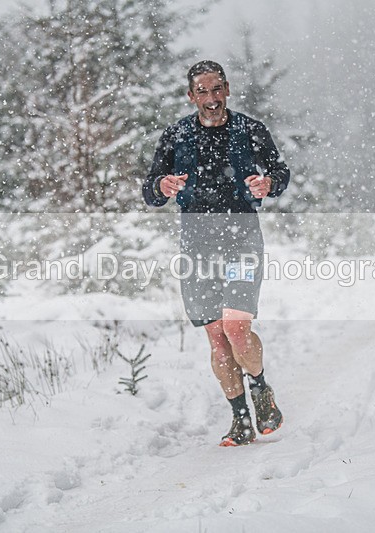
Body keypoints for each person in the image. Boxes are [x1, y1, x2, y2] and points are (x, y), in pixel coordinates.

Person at [142, 60, 290, 447]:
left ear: (227, 89)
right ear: (191, 96)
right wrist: (163, 184)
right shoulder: (176, 136)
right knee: (216, 337)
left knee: (236, 328)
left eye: (216, 89)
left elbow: (280, 174)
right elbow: (150, 191)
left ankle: (260, 388)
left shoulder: (250, 130)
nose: (211, 99)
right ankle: (240, 419)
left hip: (242, 239)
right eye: (202, 92)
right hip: (197, 244)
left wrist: (267, 183)